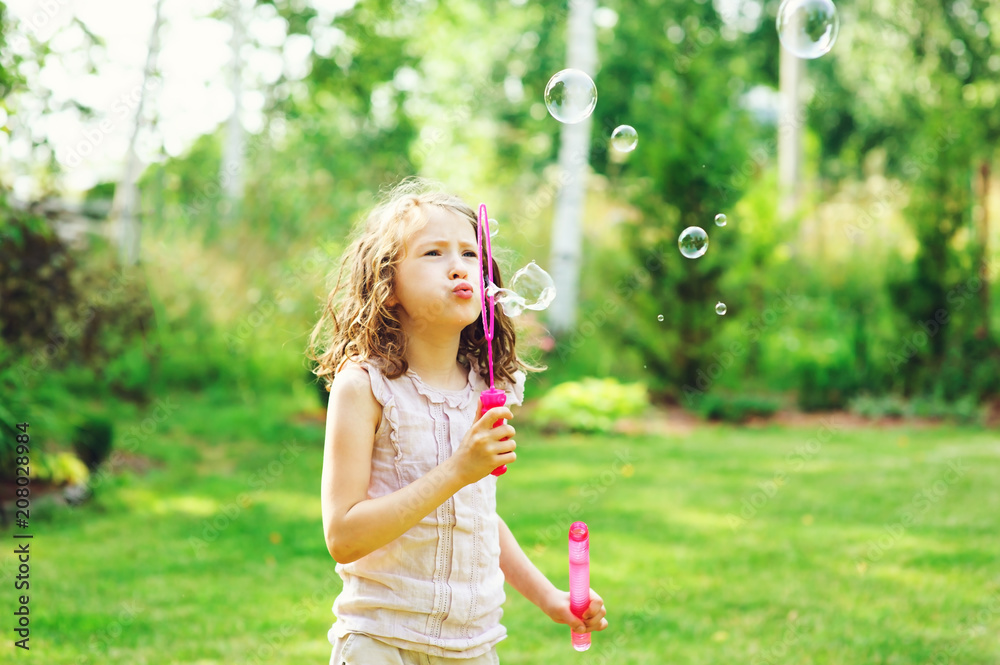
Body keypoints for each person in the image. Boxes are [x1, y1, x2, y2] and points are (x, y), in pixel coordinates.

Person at [308, 178, 608, 664]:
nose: (458, 267)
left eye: (470, 254)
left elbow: (478, 517)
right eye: (433, 254)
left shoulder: (487, 390)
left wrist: (551, 597)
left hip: (472, 647)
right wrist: (456, 471)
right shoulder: (364, 387)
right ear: (387, 288)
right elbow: (343, 537)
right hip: (382, 643)